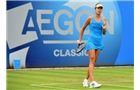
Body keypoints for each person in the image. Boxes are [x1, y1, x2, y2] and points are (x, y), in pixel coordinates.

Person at [77, 3, 107, 88]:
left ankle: (86, 80)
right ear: (95, 9)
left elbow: (104, 33)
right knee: (92, 60)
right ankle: (92, 82)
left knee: (93, 62)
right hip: (91, 41)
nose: (99, 9)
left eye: (101, 8)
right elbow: (83, 28)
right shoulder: (90, 18)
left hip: (99, 42)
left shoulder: (103, 20)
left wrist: (104, 26)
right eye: (98, 8)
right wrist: (80, 40)